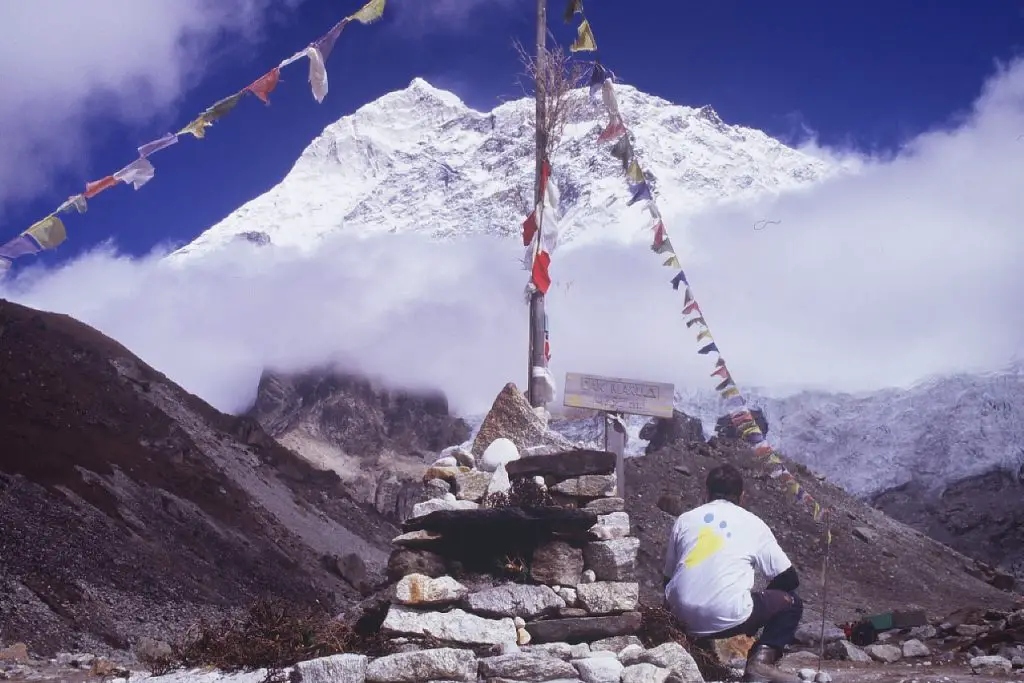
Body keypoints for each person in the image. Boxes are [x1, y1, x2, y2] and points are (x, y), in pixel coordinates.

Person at [663, 464, 803, 683]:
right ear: (742, 496)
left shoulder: (685, 519)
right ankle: (761, 664)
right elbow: (789, 577)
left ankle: (694, 652)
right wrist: (759, 603)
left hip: (680, 617)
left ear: (706, 492)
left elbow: (667, 578)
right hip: (729, 616)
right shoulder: (754, 523)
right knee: (792, 602)